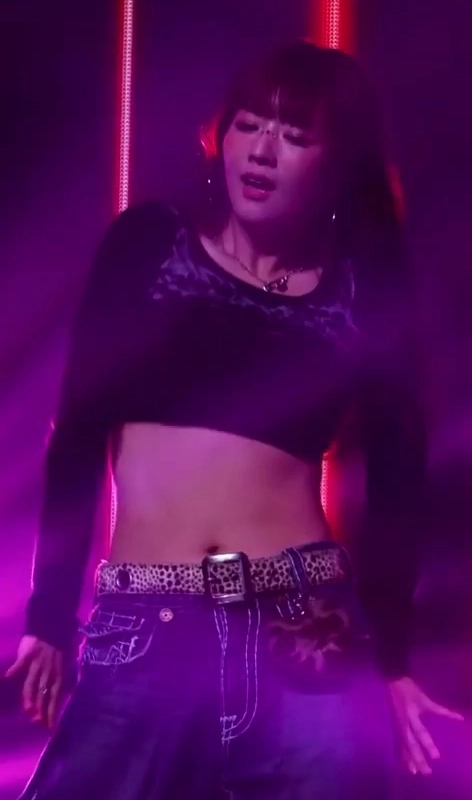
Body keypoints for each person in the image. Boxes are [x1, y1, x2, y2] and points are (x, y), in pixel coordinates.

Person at [7, 41, 464, 799]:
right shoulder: (151, 241)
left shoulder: (362, 287)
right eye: (249, 124)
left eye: (294, 135)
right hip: (149, 623)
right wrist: (48, 615)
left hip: (307, 624)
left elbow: (398, 478)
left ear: (337, 162)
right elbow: (77, 431)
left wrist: (390, 659)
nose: (261, 150)